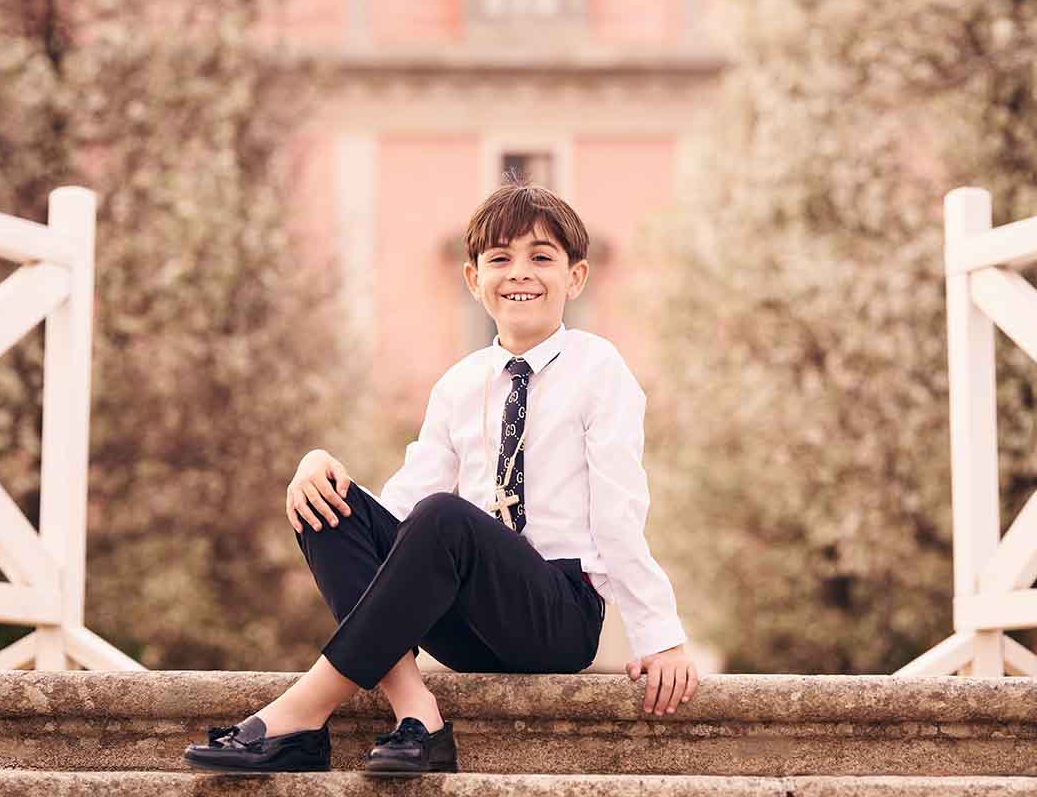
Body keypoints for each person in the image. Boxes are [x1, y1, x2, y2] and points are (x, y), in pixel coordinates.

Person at [183, 176, 699, 776]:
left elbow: (618, 511)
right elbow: (403, 514)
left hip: (557, 615)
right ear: (474, 280)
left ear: (575, 277)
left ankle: (300, 714)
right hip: (464, 627)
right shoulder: (459, 384)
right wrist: (317, 466)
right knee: (329, 502)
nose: (520, 273)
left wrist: (658, 633)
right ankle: (417, 714)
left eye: (541, 258)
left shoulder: (599, 368)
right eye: (500, 259)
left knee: (447, 515)